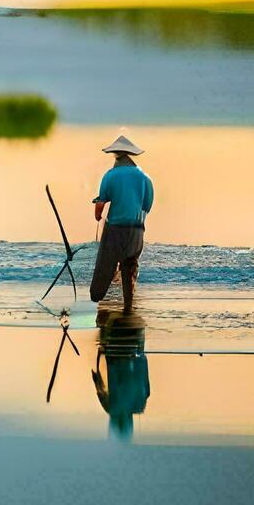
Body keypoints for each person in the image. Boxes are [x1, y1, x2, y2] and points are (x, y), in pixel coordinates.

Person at [90, 135, 154, 312]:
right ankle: (128, 306)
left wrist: (97, 215)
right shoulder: (145, 178)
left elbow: (101, 203)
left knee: (106, 265)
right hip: (137, 230)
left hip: (115, 228)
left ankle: (96, 298)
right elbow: (147, 206)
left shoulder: (110, 175)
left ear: (115, 155)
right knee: (130, 267)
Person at [91, 307, 150, 441]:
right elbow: (100, 388)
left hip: (134, 341)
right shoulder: (111, 408)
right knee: (115, 308)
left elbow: (144, 374)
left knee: (127, 308)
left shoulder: (140, 405)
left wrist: (141, 337)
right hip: (115, 348)